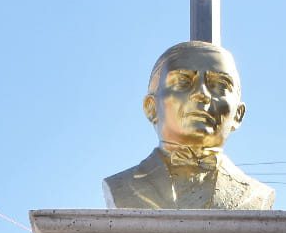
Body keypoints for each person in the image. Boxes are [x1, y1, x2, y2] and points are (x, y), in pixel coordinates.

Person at [103, 40, 275, 210]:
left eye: (219, 85)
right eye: (183, 82)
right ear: (151, 107)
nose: (202, 94)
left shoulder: (256, 195)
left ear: (238, 114)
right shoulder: (121, 186)